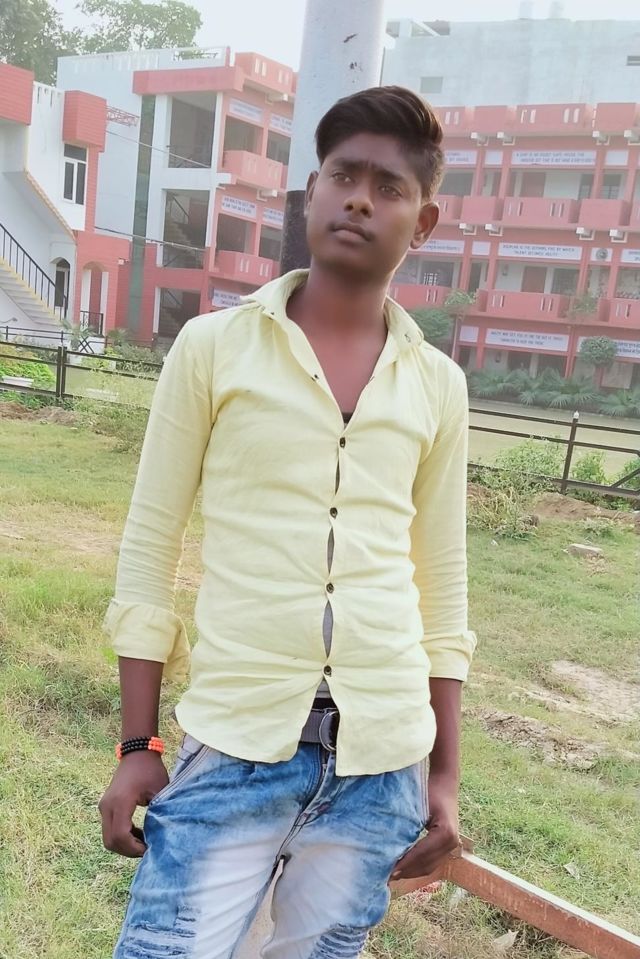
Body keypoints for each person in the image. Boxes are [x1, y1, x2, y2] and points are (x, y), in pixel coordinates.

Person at [99, 85, 477, 959]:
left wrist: (444, 776)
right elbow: (150, 546)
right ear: (311, 193)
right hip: (237, 743)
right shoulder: (214, 348)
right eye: (343, 176)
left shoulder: (437, 385)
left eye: (387, 187)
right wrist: (137, 740)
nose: (358, 200)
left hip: (381, 764)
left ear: (423, 222)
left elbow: (442, 584)